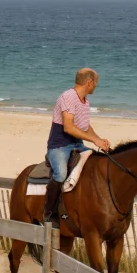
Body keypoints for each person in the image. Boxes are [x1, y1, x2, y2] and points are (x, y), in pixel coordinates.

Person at [44, 68, 111, 228]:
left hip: (77, 145)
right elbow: (68, 127)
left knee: (95, 164)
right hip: (59, 145)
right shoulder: (68, 97)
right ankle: (49, 214)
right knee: (60, 174)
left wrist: (99, 140)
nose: (96, 86)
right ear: (89, 83)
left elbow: (84, 127)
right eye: (95, 83)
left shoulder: (85, 101)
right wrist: (93, 140)